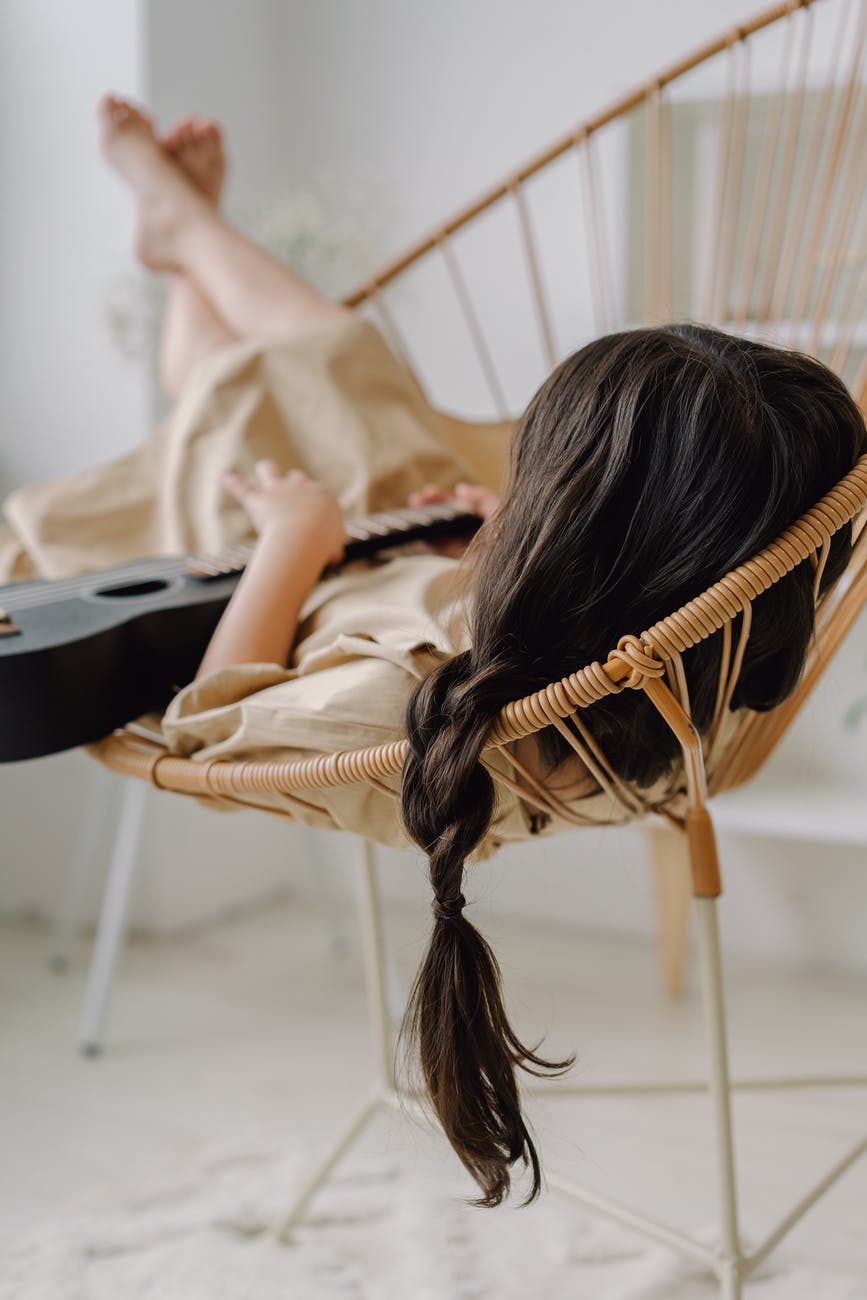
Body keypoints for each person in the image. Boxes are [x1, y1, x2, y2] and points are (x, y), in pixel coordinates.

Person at [3, 96, 865, 1210]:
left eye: (540, 484)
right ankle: (181, 243)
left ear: (594, 553)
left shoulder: (386, 718)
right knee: (338, 371)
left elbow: (211, 731)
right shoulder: (674, 655)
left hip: (290, 568)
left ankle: (176, 231)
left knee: (253, 410)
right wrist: (497, 545)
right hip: (447, 582)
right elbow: (627, 584)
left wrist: (292, 546)